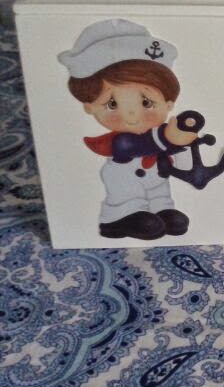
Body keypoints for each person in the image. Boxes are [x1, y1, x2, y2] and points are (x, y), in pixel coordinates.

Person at [59, 19, 197, 239]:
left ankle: (162, 210)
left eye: (146, 102)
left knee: (159, 190)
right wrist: (168, 137)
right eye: (112, 104)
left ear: (168, 104)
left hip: (155, 179)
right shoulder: (122, 141)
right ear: (90, 107)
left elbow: (174, 151)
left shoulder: (164, 131)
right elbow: (136, 145)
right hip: (124, 188)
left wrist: (183, 143)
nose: (131, 115)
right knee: (128, 193)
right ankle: (118, 220)